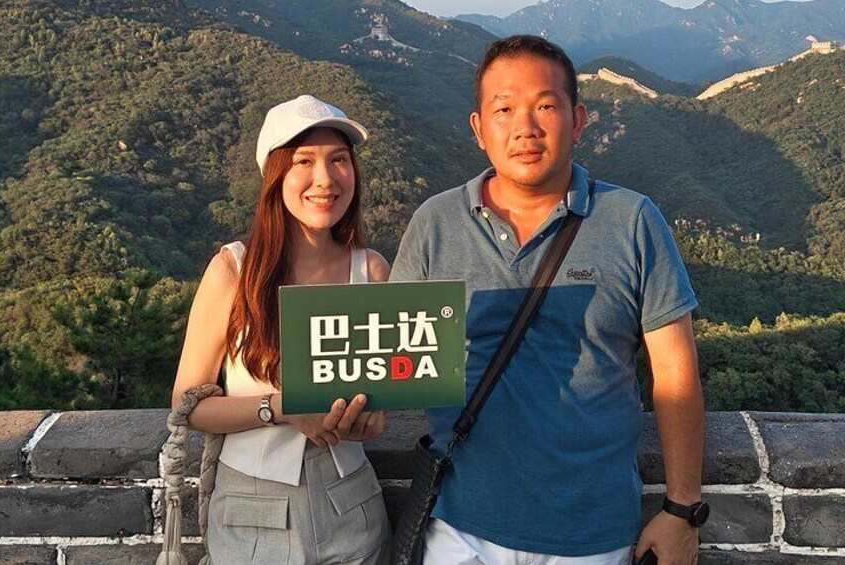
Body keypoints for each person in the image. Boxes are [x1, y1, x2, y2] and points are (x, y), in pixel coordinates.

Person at [390, 35, 705, 565]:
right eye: (504, 109)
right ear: (478, 129)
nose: (525, 128)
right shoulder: (435, 224)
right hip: (462, 526)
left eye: (545, 106)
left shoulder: (631, 220)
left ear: (577, 120)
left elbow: (674, 374)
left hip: (591, 535)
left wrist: (682, 509)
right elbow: (395, 359)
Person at [172, 94, 391, 565]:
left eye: (339, 160)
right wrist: (284, 408)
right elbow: (188, 404)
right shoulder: (233, 270)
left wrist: (370, 419)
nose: (325, 179)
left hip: (351, 502)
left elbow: (378, 398)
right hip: (251, 508)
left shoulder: (370, 270)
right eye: (303, 162)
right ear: (275, 177)